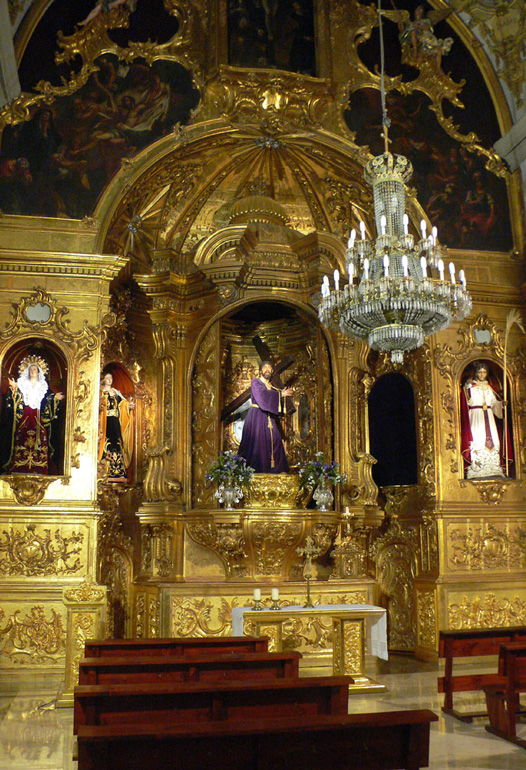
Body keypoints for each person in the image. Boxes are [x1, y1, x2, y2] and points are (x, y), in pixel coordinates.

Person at [1, 356, 64, 474]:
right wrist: (14, 388)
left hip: (39, 415)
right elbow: (16, 398)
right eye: (31, 370)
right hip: (25, 414)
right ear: (27, 371)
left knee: (42, 436)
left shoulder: (43, 386)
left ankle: (40, 465)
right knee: (20, 436)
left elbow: (47, 398)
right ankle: (20, 465)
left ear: (39, 372)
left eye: (35, 370)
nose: (33, 372)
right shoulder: (22, 384)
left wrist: (54, 398)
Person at [237, 361, 293, 473]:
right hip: (257, 417)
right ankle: (255, 472)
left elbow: (273, 400)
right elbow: (262, 397)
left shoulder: (272, 387)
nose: (267, 369)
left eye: (269, 368)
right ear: (260, 371)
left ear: (272, 372)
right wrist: (280, 395)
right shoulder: (255, 382)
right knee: (257, 443)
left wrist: (282, 395)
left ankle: (276, 470)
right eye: (265, 367)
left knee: (276, 439)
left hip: (269, 417)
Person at [461, 361, 509, 478]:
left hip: (488, 414)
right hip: (476, 415)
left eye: (484, 372)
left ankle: (493, 466)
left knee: (493, 439)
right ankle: (477, 468)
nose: (482, 375)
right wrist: (467, 386)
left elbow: (494, 403)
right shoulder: (471, 387)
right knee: (478, 438)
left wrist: (501, 404)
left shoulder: (489, 388)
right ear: (476, 373)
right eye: (480, 372)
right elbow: (465, 400)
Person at [98, 371, 134, 481]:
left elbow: (122, 404)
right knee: (106, 442)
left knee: (117, 442)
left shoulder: (115, 392)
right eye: (107, 377)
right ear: (103, 379)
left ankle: (119, 471)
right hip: (105, 421)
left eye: (111, 377)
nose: (109, 380)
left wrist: (129, 406)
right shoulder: (100, 392)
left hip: (115, 421)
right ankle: (104, 471)